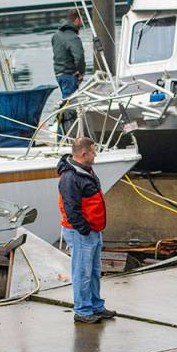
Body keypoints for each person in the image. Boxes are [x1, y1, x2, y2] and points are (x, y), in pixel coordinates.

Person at [59, 137, 116, 324]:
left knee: (93, 271)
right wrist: (84, 229)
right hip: (81, 232)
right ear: (84, 154)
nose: (95, 154)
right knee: (82, 272)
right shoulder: (70, 177)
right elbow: (71, 208)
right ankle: (83, 310)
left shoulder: (85, 171)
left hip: (92, 230)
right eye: (93, 151)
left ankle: (96, 305)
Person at [52, 10, 85, 99]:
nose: (82, 23)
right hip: (69, 76)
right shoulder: (73, 37)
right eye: (82, 20)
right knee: (70, 103)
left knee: (67, 100)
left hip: (59, 75)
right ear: (77, 19)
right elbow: (80, 57)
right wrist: (81, 72)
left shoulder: (56, 35)